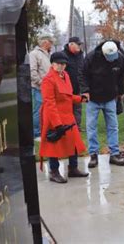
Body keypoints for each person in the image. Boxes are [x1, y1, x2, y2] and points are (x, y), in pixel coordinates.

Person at [39, 52, 89, 183]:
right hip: (53, 116)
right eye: (58, 63)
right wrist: (57, 124)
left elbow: (67, 96)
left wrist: (80, 99)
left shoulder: (65, 76)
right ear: (52, 64)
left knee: (74, 142)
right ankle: (53, 171)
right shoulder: (48, 80)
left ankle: (73, 168)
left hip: (67, 115)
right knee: (54, 144)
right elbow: (49, 103)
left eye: (63, 64)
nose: (61, 66)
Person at [80, 40, 124, 168]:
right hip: (93, 98)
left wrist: (121, 91)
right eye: (109, 58)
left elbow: (122, 76)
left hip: (110, 97)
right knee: (91, 127)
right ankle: (93, 154)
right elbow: (83, 75)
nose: (112, 60)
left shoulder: (120, 58)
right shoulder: (91, 58)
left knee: (113, 126)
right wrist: (85, 91)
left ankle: (114, 154)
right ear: (103, 53)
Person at [29, 34, 53, 139]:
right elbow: (32, 71)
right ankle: (36, 133)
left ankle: (44, 130)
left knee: (46, 110)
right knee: (38, 110)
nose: (51, 44)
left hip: (47, 87)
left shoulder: (47, 54)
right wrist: (40, 82)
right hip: (38, 88)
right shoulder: (34, 54)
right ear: (45, 43)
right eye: (50, 42)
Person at [60, 36, 85, 128]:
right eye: (78, 44)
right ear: (71, 44)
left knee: (77, 108)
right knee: (67, 108)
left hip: (78, 87)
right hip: (65, 89)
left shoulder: (81, 55)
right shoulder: (63, 55)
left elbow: (83, 70)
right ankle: (67, 126)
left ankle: (77, 126)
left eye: (80, 44)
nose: (79, 46)